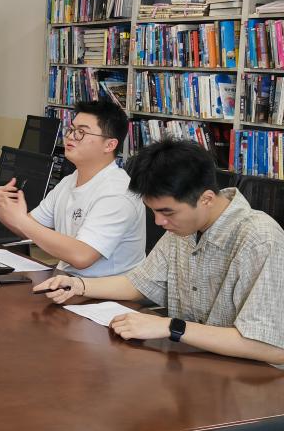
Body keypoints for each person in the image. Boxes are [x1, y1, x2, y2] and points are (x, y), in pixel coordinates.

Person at [36, 140, 284, 368]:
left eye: (167, 212)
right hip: (193, 366)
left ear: (206, 199)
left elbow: (272, 347)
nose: (159, 222)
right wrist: (79, 286)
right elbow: (141, 283)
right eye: (153, 211)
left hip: (251, 381)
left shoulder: (260, 239)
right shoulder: (185, 228)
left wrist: (172, 327)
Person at [0, 99, 144, 277]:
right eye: (71, 129)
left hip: (104, 290)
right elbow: (28, 229)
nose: (70, 136)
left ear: (109, 145)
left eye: (81, 132)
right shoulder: (70, 180)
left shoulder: (117, 193)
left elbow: (82, 256)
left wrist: (22, 220)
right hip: (67, 281)